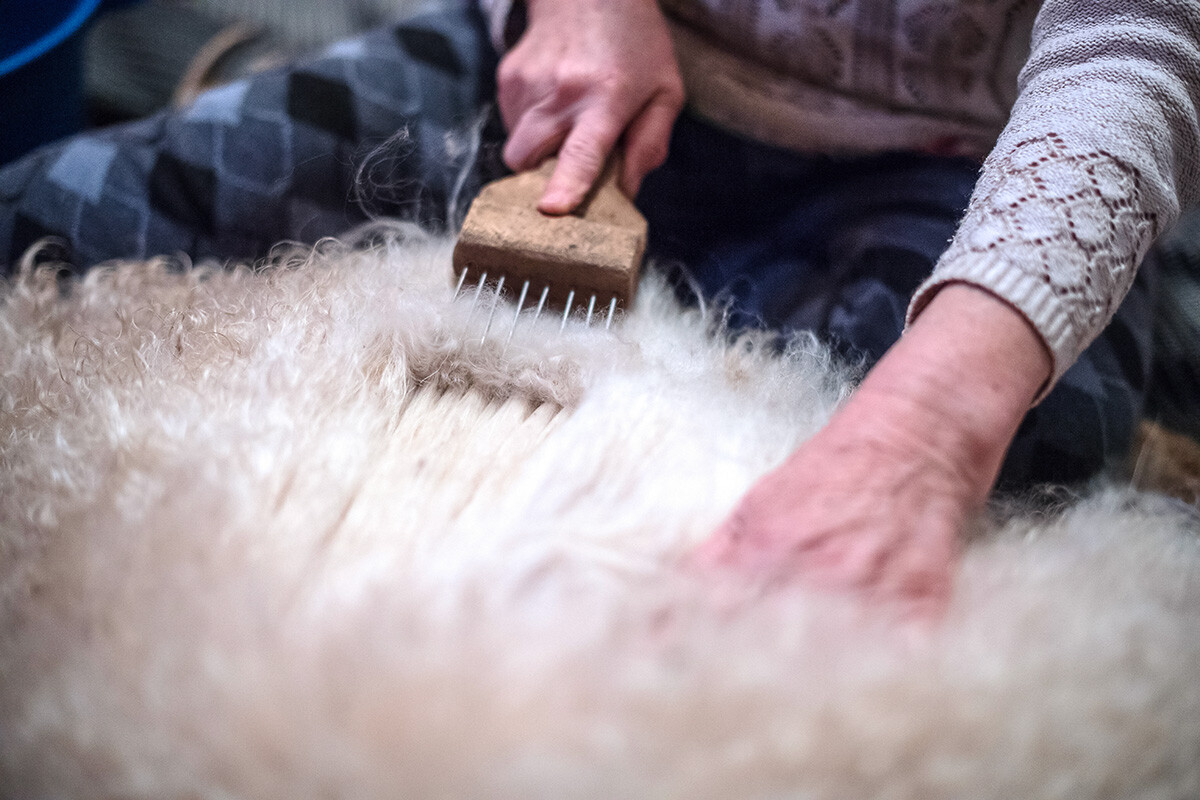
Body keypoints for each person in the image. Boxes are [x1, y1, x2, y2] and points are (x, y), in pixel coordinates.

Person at [1, 0, 1196, 613]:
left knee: (1029, 464)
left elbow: (1133, 42)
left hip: (949, 160)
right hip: (568, 75)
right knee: (48, 220)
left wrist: (927, 436)